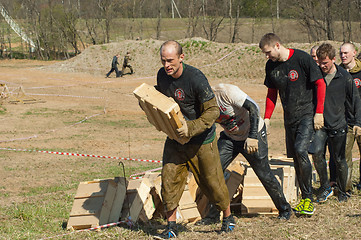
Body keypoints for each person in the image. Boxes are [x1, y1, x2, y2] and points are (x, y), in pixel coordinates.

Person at [155, 40, 235, 238]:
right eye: (164, 61)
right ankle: (171, 227)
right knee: (169, 180)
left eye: (171, 60)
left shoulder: (196, 78)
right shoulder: (162, 76)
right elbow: (162, 102)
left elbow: (213, 111)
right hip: (175, 140)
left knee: (212, 183)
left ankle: (227, 218)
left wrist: (190, 128)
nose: (167, 65)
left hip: (202, 141)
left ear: (182, 57)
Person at [195, 83, 292, 225]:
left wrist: (252, 137)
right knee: (213, 172)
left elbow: (254, 108)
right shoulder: (201, 105)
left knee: (264, 173)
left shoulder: (226, 92)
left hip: (252, 133)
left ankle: (285, 209)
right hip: (231, 137)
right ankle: (213, 216)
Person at [259, 33, 326, 217]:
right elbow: (272, 93)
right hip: (289, 117)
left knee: (301, 150)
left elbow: (320, 84)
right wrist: (267, 118)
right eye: (265, 54)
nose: (267, 56)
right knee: (296, 156)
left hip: (307, 113)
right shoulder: (271, 66)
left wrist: (319, 112)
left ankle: (309, 199)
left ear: (277, 45)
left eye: (268, 52)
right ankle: (305, 196)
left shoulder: (302, 58)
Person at [310, 43, 361, 203]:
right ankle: (325, 186)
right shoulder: (316, 76)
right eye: (319, 62)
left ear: (332, 59)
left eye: (325, 63)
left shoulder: (344, 77)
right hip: (320, 124)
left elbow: (355, 100)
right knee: (317, 153)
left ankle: (343, 190)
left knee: (340, 159)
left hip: (339, 124)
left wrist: (358, 121)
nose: (322, 66)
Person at [339, 42, 361, 192]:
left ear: (354, 53)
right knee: (345, 156)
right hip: (345, 121)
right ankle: (346, 189)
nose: (343, 56)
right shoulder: (338, 72)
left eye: (346, 53)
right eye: (341, 53)